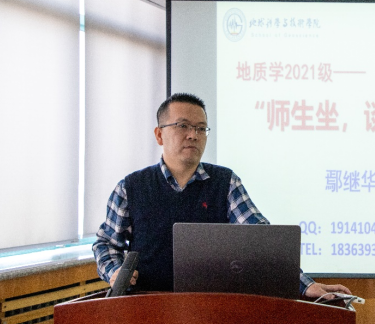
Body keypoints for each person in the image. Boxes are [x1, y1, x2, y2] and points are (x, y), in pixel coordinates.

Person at [93, 93, 351, 299]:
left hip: (211, 307)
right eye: (183, 126)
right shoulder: (131, 187)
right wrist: (115, 272)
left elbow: (261, 241)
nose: (193, 135)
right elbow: (106, 244)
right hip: (146, 305)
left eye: (201, 128)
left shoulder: (225, 182)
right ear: (159, 134)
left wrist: (305, 285)